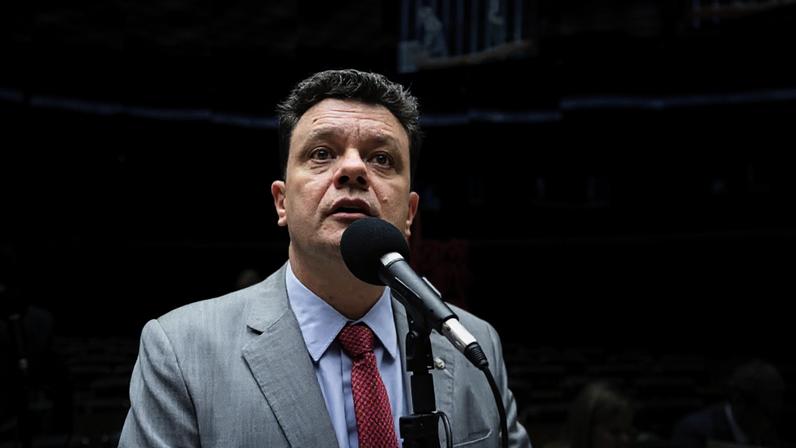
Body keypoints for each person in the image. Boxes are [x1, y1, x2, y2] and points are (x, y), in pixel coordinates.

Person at [118, 69, 531, 447]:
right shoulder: (180, 350)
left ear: (409, 214)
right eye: (321, 153)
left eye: (381, 158)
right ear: (281, 202)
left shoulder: (474, 344)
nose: (353, 169)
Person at [671, 360, 785, 448]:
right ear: (739, 400)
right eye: (764, 412)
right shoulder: (694, 432)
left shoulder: (768, 437)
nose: (768, 423)